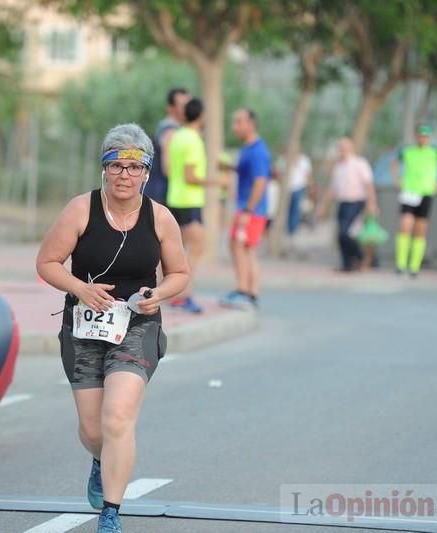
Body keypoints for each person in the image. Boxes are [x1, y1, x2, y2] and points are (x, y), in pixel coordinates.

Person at [36, 123, 189, 533]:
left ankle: (110, 513)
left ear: (147, 172)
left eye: (134, 166)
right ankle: (101, 460)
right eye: (116, 165)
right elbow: (47, 263)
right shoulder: (80, 209)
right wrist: (80, 289)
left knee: (118, 417)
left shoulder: (159, 217)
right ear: (104, 169)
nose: (125, 174)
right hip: (83, 326)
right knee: (92, 428)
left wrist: (160, 294)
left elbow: (179, 273)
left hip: (139, 324)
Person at [166, 98, 223, 313]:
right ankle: (181, 295)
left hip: (175, 198)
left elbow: (171, 170)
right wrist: (217, 181)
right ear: (201, 116)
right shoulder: (193, 140)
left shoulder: (178, 136)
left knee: (182, 249)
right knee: (196, 248)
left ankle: (177, 294)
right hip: (189, 201)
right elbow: (191, 177)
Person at [220, 108, 271, 309]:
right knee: (241, 247)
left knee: (243, 248)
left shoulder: (258, 151)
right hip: (248, 209)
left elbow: (260, 182)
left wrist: (248, 211)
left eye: (239, 122)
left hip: (251, 211)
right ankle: (246, 291)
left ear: (251, 124)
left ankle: (247, 292)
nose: (235, 126)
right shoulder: (248, 149)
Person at [390, 124, 437, 277]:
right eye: (420, 135)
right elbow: (393, 164)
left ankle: (414, 266)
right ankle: (401, 263)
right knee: (405, 226)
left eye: (426, 136)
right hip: (409, 192)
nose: (423, 139)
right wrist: (397, 179)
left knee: (420, 230)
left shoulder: (435, 152)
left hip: (426, 193)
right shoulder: (407, 151)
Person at [316, 138, 379, 272]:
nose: (341, 150)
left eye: (344, 147)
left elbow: (368, 184)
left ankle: (361, 257)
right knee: (340, 234)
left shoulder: (360, 164)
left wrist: (372, 203)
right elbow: (332, 189)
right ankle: (347, 264)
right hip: (343, 203)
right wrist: (323, 206)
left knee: (346, 233)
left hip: (356, 202)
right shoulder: (338, 167)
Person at [147, 88, 190, 205]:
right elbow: (168, 169)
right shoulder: (170, 132)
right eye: (182, 106)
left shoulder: (175, 130)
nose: (187, 110)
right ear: (170, 108)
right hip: (164, 196)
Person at [286, 151, 313, 235]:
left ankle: (292, 229)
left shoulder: (304, 160)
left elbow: (308, 174)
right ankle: (290, 228)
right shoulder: (286, 158)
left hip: (300, 187)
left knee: (296, 209)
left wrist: (310, 187)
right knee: (290, 209)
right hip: (288, 188)